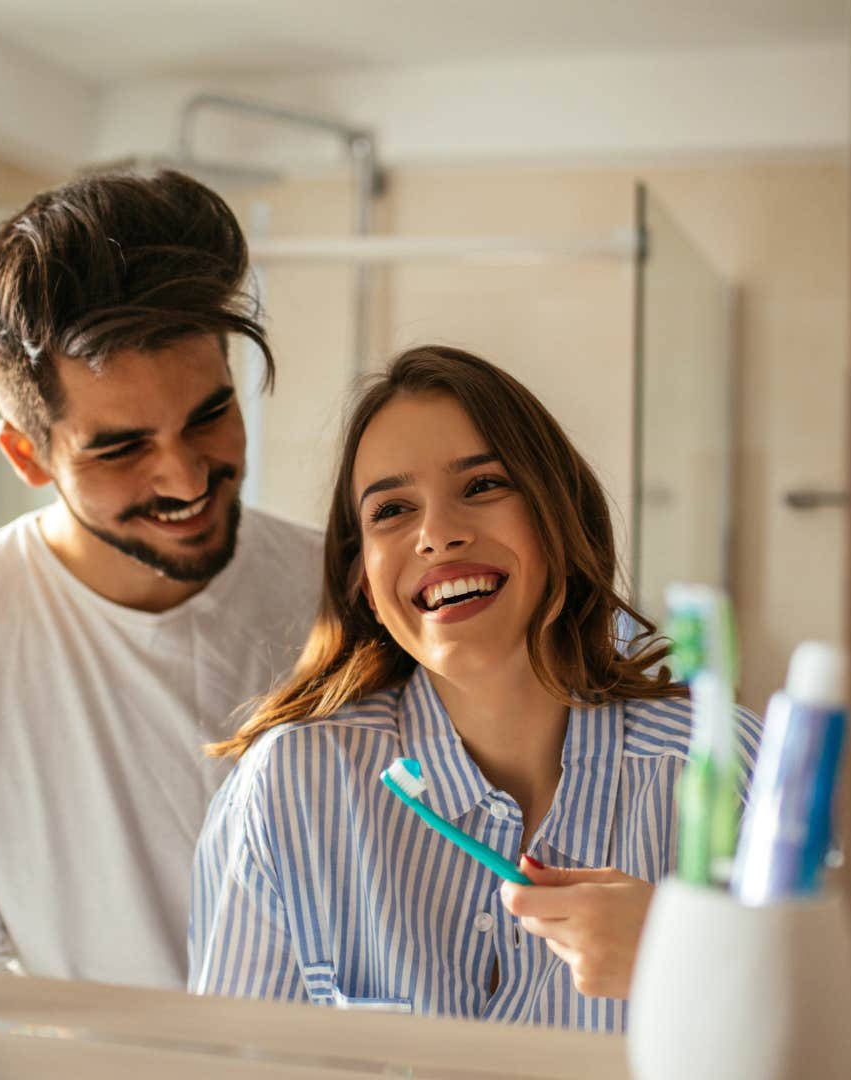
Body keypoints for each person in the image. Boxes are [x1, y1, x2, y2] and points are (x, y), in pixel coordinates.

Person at [0, 171, 321, 988]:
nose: (186, 479)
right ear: (27, 456)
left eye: (209, 415)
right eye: (121, 448)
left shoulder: (356, 594)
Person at [188, 345, 762, 1031]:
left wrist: (694, 962)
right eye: (392, 510)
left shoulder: (721, 771)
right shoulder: (290, 787)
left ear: (558, 516)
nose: (437, 534)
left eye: (483, 486)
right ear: (363, 585)